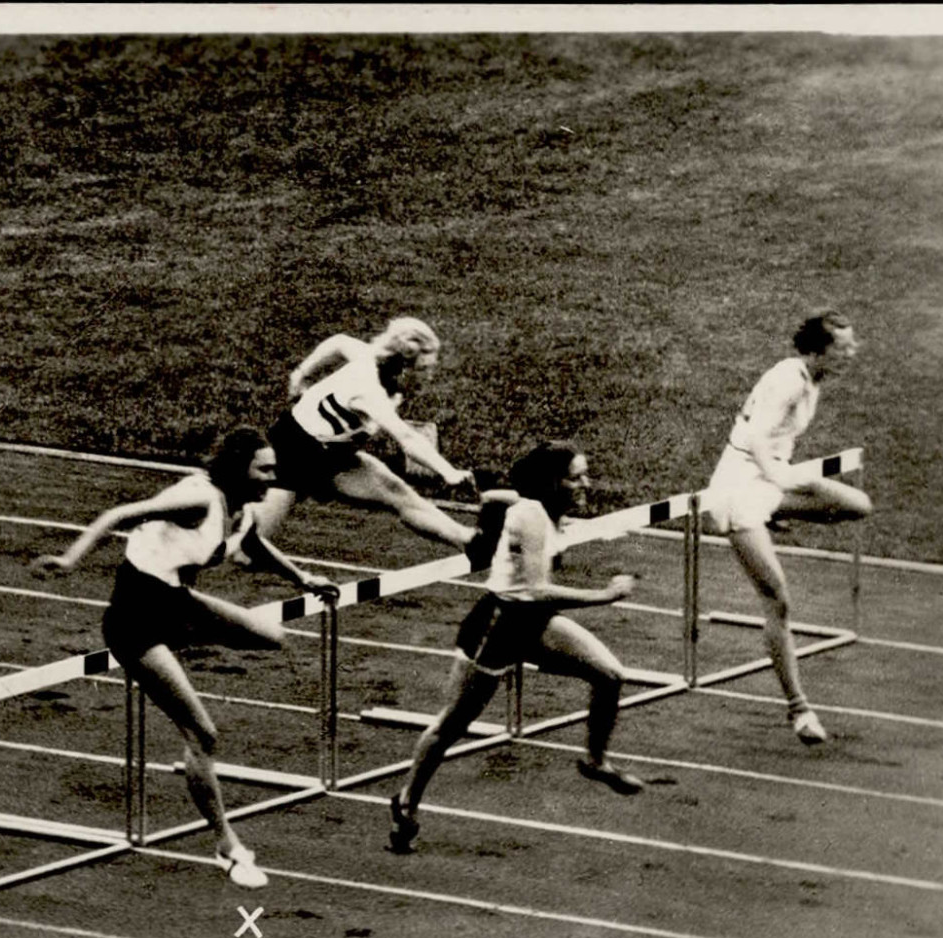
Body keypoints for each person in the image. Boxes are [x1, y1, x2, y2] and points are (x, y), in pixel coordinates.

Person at [34, 428, 338, 889]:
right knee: (202, 734)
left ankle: (177, 653)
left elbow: (255, 543)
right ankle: (227, 847)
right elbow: (120, 512)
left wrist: (305, 580)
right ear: (239, 469)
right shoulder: (197, 500)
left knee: (273, 636)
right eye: (265, 470)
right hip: (135, 623)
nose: (274, 480)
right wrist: (69, 559)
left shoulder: (241, 506)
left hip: (178, 603)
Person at [387, 441, 644, 855]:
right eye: (576, 477)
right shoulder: (532, 516)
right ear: (552, 482)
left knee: (610, 675)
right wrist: (606, 596)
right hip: (499, 625)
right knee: (451, 726)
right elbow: (538, 592)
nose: (586, 484)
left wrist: (485, 494)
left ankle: (595, 761)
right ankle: (406, 802)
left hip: (534, 624)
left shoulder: (544, 509)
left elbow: (501, 498)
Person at [703, 311, 873, 745]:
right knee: (777, 599)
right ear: (818, 349)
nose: (852, 352)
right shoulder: (789, 380)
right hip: (740, 489)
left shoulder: (812, 379)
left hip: (769, 479)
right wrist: (777, 477)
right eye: (843, 346)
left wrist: (783, 478)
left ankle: (776, 512)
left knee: (857, 504)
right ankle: (799, 710)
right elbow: (757, 436)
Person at [249, 318, 493, 568]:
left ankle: (469, 541)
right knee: (249, 550)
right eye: (424, 369)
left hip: (333, 453)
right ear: (404, 365)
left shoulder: (373, 364)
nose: (429, 377)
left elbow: (339, 342)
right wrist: (448, 472)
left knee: (396, 492)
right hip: (294, 452)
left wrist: (302, 372)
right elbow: (406, 438)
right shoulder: (369, 389)